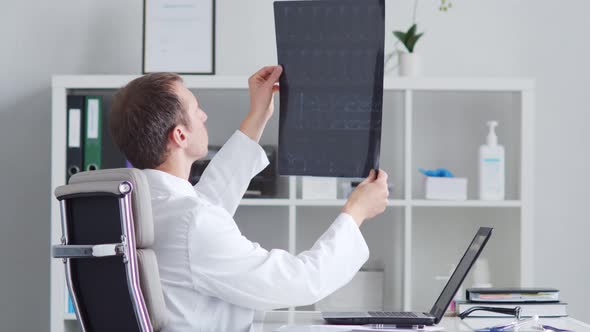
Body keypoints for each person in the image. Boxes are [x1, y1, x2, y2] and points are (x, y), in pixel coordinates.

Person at [109, 65, 389, 332]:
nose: (204, 116)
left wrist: (258, 114)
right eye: (196, 110)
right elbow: (303, 281)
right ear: (180, 135)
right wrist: (356, 212)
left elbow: (211, 198)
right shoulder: (192, 222)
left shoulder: (143, 207)